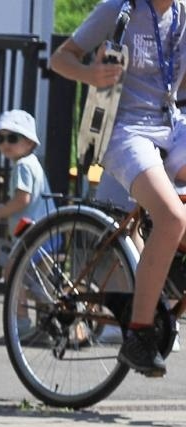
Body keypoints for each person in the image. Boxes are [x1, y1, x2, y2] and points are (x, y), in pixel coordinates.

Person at [54, 0, 186, 376]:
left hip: (171, 124)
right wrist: (90, 72)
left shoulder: (182, 13)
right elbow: (60, 58)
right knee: (172, 217)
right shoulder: (119, 9)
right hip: (125, 130)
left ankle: (168, 282)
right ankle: (139, 333)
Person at [0, 109, 54, 232]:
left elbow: (21, 200)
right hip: (44, 232)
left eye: (12, 138)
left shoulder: (22, 165)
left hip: (33, 235)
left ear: (29, 142)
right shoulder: (32, 162)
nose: (5, 144)